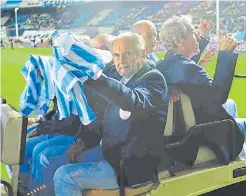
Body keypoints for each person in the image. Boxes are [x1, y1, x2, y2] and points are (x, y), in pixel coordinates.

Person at [53, 32, 168, 196]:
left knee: (64, 176)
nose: (121, 60)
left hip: (131, 167)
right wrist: (84, 142)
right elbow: (107, 121)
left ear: (142, 53)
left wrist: (97, 78)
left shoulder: (153, 78)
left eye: (127, 53)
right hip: (112, 155)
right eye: (116, 55)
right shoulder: (124, 80)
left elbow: (135, 101)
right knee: (57, 160)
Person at [157, 15, 246, 160]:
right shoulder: (187, 69)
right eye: (193, 34)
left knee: (231, 105)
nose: (197, 38)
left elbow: (184, 64)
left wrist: (203, 36)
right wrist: (225, 54)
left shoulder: (166, 64)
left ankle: (242, 160)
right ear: (178, 41)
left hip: (193, 126)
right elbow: (219, 96)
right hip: (211, 131)